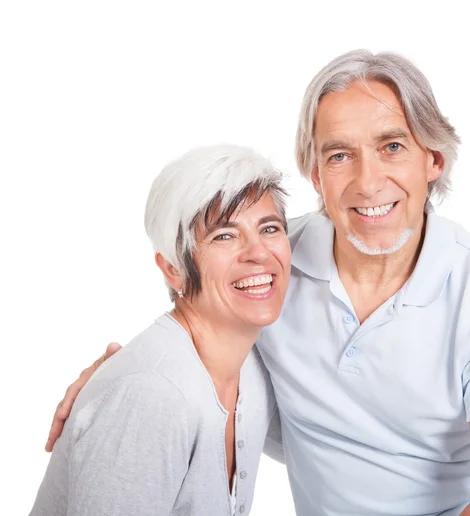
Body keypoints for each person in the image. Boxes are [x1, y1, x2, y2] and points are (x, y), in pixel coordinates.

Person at [47, 50, 470, 515]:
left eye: (391, 146)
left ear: (433, 161)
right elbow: (201, 300)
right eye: (339, 156)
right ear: (315, 174)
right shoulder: (272, 265)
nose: (368, 181)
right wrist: (120, 383)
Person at [31, 144, 291, 515]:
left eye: (269, 228)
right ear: (173, 269)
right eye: (224, 236)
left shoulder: (251, 368)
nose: (259, 252)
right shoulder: (153, 397)